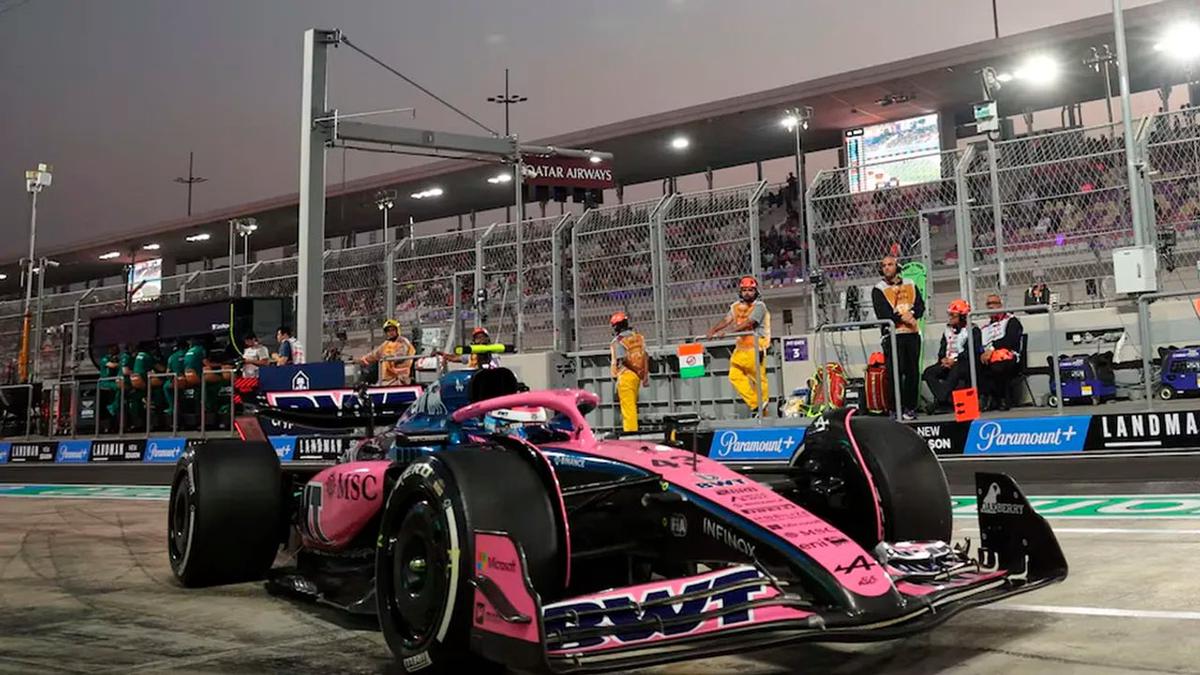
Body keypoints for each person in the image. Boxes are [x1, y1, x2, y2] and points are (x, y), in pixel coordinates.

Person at [707, 276, 772, 416]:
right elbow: (727, 319)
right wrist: (714, 330)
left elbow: (750, 323)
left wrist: (729, 333)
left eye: (750, 290)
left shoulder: (760, 306)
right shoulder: (735, 306)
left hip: (755, 346)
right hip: (741, 348)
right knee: (734, 375)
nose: (747, 293)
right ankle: (756, 404)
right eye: (744, 290)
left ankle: (763, 407)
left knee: (758, 379)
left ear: (756, 291)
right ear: (740, 291)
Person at [871, 255, 924, 420]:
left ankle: (910, 408)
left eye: (890, 264)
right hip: (892, 336)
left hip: (912, 334)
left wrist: (912, 313)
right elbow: (883, 314)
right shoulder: (878, 289)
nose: (886, 268)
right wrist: (904, 318)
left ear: (897, 267)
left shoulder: (910, 283)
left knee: (912, 373)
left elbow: (920, 306)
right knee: (894, 373)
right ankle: (894, 408)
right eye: (884, 265)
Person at [921, 299, 980, 411]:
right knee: (929, 372)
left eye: (953, 315)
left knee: (956, 370)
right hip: (948, 362)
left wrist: (955, 360)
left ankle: (942, 400)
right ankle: (944, 399)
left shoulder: (973, 330)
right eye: (950, 315)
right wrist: (943, 359)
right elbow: (942, 348)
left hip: (964, 363)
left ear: (962, 317)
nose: (950, 318)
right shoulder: (947, 330)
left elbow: (970, 351)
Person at [978, 293, 1023, 411]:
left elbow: (1009, 341)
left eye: (994, 303)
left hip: (1008, 356)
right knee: (971, 365)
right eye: (988, 304)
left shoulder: (1011, 321)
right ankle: (983, 398)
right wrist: (982, 353)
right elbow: (980, 345)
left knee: (998, 366)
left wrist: (992, 349)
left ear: (1000, 305)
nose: (991, 306)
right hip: (988, 357)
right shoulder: (985, 328)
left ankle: (1002, 399)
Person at [609, 312, 648, 432]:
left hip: (625, 375)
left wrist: (637, 370)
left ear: (616, 326)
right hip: (637, 377)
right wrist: (644, 375)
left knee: (628, 408)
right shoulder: (638, 337)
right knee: (632, 405)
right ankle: (633, 430)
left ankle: (630, 433)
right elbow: (645, 356)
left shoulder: (619, 341)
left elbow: (623, 359)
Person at [361, 319, 417, 385]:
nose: (390, 332)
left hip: (400, 378)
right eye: (388, 331)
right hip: (387, 379)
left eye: (393, 330)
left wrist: (388, 357)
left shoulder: (403, 341)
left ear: (397, 330)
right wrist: (365, 358)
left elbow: (400, 356)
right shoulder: (386, 344)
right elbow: (375, 354)